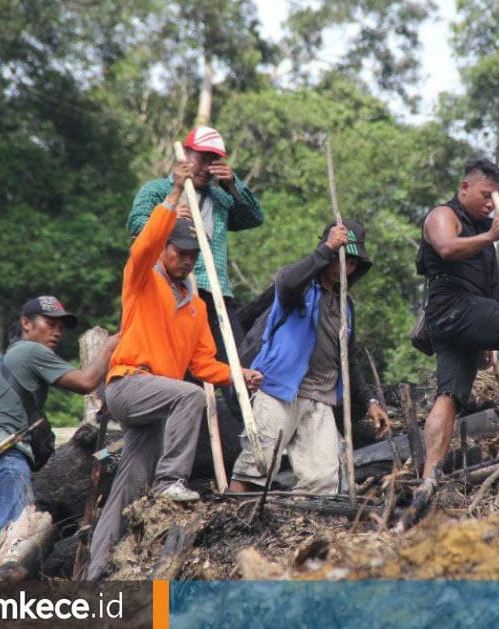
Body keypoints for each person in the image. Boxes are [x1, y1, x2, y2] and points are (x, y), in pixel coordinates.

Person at [86, 179, 263, 581]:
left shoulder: (196, 305)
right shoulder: (143, 280)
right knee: (189, 398)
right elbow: (143, 244)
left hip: (155, 404)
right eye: (178, 252)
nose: (184, 260)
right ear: (165, 250)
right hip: (128, 385)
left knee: (127, 488)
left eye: (190, 255)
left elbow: (204, 365)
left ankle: (93, 574)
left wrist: (238, 376)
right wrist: (169, 203)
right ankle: (172, 481)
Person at [230, 221, 391, 494]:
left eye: (351, 263)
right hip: (278, 388)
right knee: (256, 464)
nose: (345, 268)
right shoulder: (300, 287)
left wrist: (370, 401)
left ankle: (304, 528)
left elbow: (348, 361)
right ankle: (231, 523)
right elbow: (287, 284)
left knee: (323, 479)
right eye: (340, 260)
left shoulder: (345, 306)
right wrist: (328, 248)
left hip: (319, 397)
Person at [414, 157, 499, 501]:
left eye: (496, 197)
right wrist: (491, 234)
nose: (490, 203)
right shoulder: (444, 215)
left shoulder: (486, 240)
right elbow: (446, 248)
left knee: (450, 394)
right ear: (465, 187)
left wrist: (488, 341)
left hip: (468, 316)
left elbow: (491, 293)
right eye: (486, 195)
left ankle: (429, 478)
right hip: (451, 306)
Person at [0, 296, 119, 537]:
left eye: (61, 328)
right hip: (7, 460)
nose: (57, 333)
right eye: (50, 325)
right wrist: (110, 346)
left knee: (3, 548)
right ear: (26, 324)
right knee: (21, 543)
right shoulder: (32, 350)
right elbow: (86, 382)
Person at [127, 126, 264, 409]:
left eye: (213, 160)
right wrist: (168, 213)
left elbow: (253, 217)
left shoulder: (221, 199)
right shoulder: (158, 190)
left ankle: (250, 434)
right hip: (170, 292)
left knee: (235, 364)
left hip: (216, 293)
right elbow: (136, 226)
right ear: (185, 155)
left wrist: (233, 185)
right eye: (201, 158)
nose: (206, 167)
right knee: (174, 373)